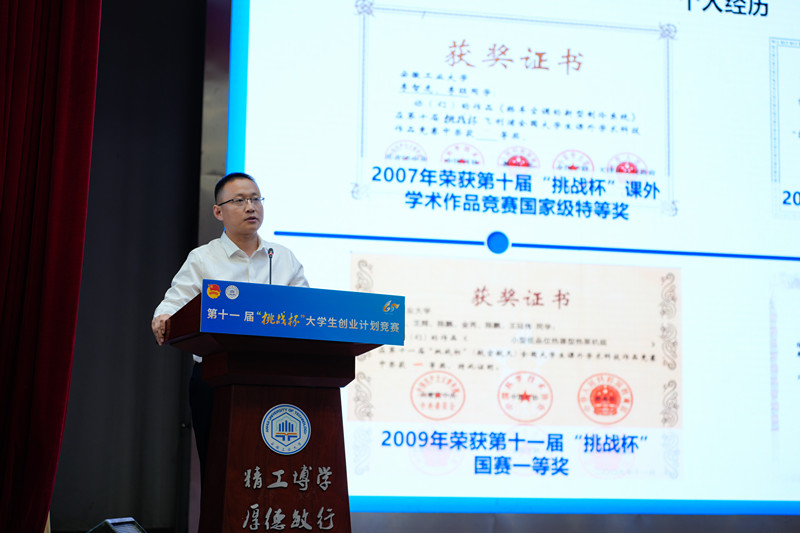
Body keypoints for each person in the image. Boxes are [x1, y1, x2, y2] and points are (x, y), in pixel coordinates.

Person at [151, 172, 308, 480]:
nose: (251, 207)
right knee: (221, 473)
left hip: (274, 376)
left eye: (256, 199)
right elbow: (174, 304)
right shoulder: (203, 258)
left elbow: (305, 311)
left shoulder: (283, 258)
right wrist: (163, 317)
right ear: (218, 211)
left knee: (272, 471)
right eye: (239, 200)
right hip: (216, 379)